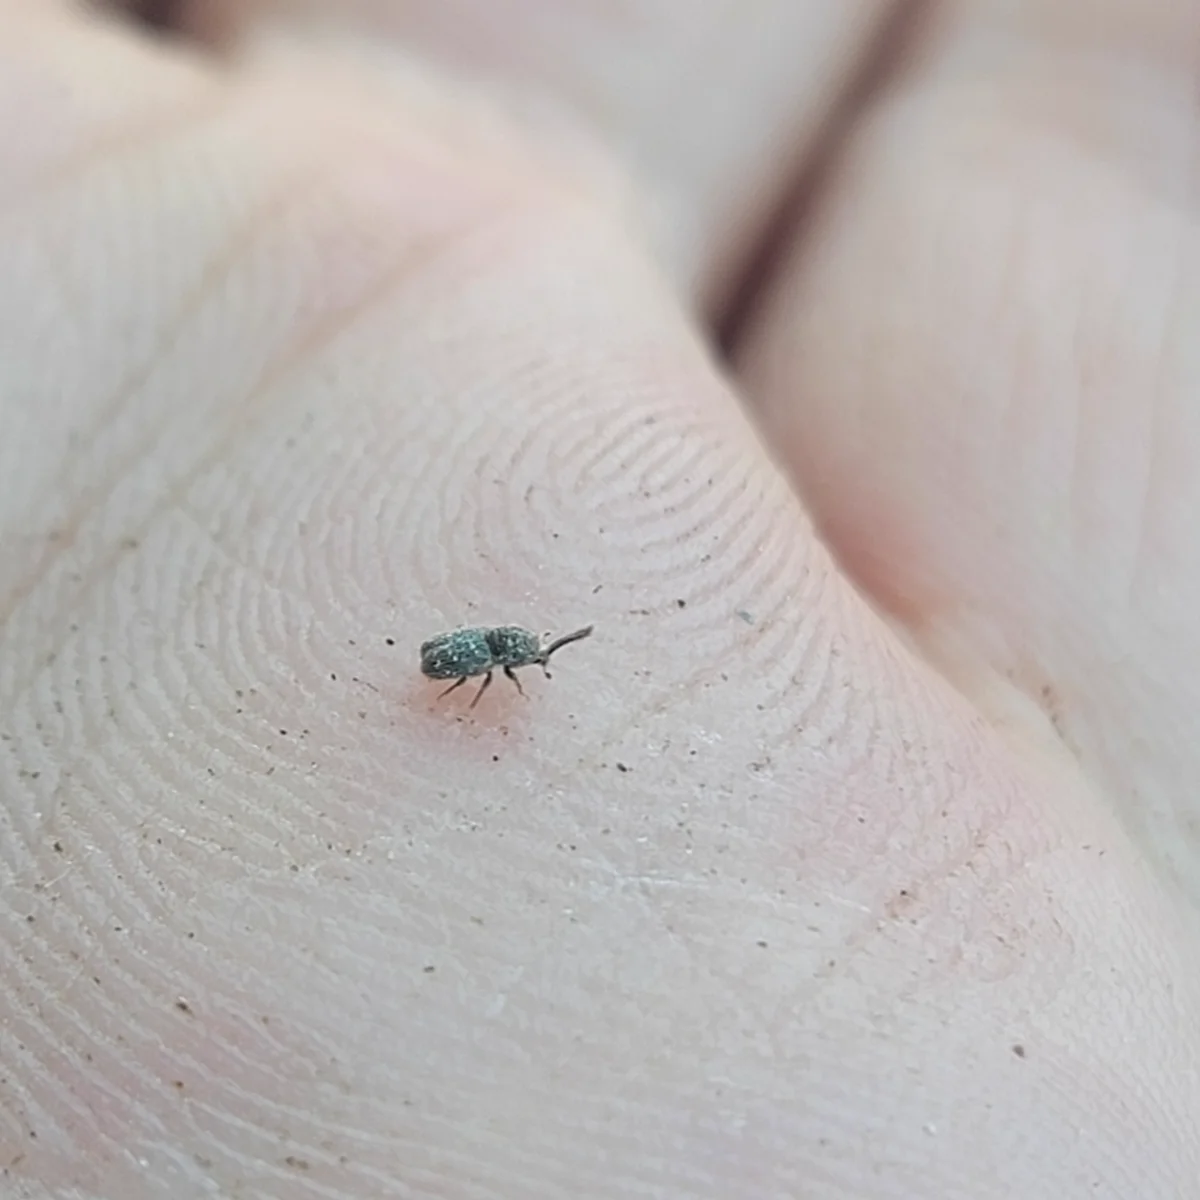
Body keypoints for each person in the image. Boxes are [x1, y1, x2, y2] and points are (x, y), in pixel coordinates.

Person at [2, 2, 1197, 1195]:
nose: (519, 669)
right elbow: (464, 669)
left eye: (518, 663)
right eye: (520, 663)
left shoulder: (501, 650)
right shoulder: (486, 659)